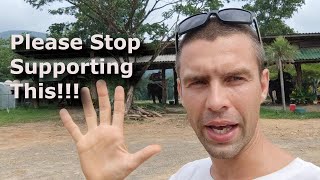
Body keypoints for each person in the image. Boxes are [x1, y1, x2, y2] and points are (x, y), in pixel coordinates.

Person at [59, 8, 320, 180]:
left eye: (235, 79)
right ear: (181, 91)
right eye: (198, 82)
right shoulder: (184, 176)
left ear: (263, 86)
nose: (216, 102)